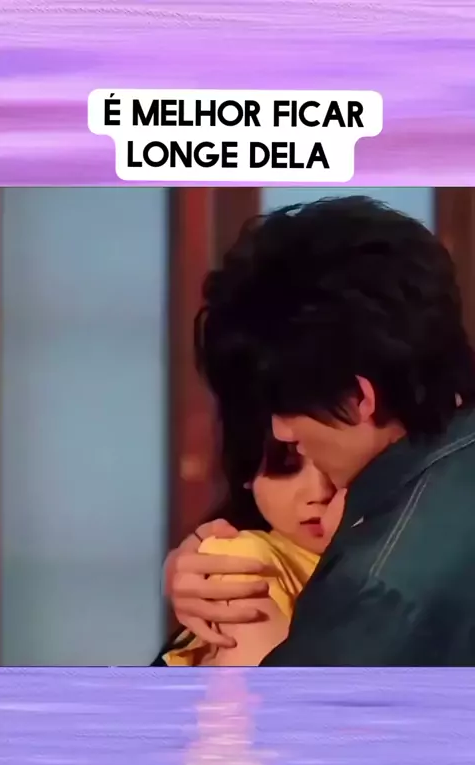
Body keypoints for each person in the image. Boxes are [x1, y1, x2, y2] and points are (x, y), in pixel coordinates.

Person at [157, 195, 475, 666]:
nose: (281, 431)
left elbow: (284, 712)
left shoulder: (377, 592)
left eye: (286, 406)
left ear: (358, 398)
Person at [163, 433, 345, 665]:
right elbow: (263, 685)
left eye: (335, 460)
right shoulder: (245, 558)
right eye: (286, 466)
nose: (319, 493)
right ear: (248, 473)